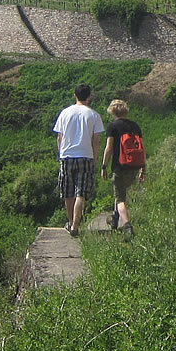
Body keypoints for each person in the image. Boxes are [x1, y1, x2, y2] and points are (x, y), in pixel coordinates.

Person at [53, 83, 105, 237]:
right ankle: (76, 225)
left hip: (67, 155)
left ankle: (70, 222)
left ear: (75, 95)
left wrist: (61, 153)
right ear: (89, 97)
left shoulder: (65, 113)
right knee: (80, 193)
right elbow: (96, 141)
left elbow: (59, 138)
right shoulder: (94, 115)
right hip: (86, 155)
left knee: (68, 192)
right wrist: (95, 159)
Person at [100, 99, 145, 239]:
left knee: (120, 200)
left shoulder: (112, 126)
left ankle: (127, 226)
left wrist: (104, 166)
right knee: (120, 193)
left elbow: (108, 148)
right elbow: (142, 149)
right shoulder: (135, 126)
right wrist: (144, 168)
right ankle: (114, 219)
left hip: (119, 166)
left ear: (112, 112)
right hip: (134, 167)